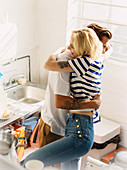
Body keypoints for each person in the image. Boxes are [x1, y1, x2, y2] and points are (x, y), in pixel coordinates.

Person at [24, 28, 104, 170]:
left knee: (29, 161)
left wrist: (58, 51)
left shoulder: (84, 62)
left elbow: (48, 65)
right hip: (77, 127)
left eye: (72, 45)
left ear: (82, 47)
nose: (69, 48)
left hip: (80, 131)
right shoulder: (94, 61)